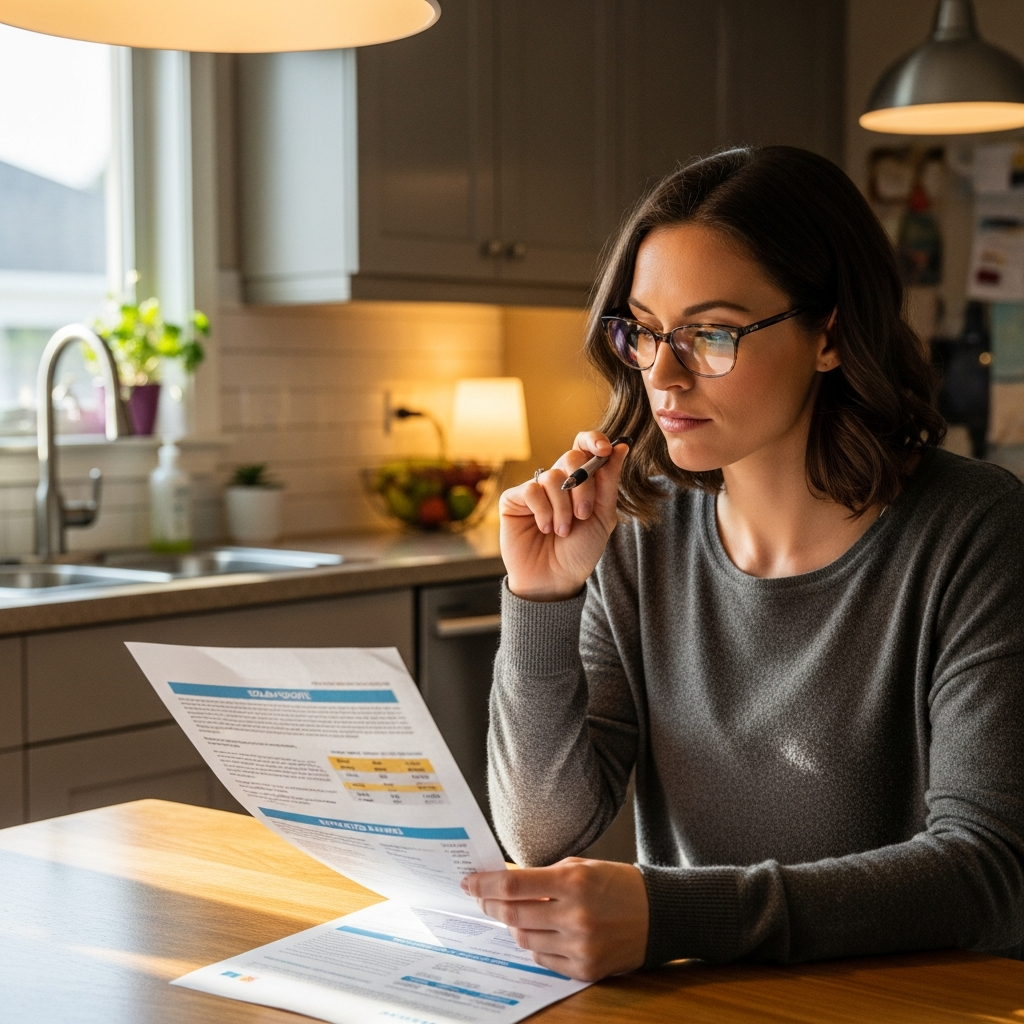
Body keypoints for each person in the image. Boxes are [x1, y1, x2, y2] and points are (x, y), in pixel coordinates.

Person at [460, 146, 1024, 981]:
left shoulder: (975, 529)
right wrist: (543, 595)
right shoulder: (641, 534)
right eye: (644, 333)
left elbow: (990, 873)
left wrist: (674, 914)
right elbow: (543, 834)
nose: (663, 374)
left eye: (711, 334)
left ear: (830, 335)